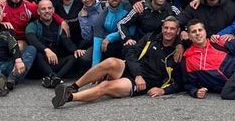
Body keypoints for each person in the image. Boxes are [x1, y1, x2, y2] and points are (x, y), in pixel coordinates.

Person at [51, 17, 184, 107]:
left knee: (105, 86)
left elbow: (179, 82)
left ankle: (68, 97)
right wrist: (137, 73)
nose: (168, 31)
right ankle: (73, 86)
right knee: (110, 62)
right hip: (134, 70)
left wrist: (163, 91)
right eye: (166, 28)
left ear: (178, 31)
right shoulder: (151, 37)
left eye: (172, 29)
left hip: (145, 82)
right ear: (162, 28)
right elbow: (131, 52)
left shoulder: (178, 52)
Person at [181, 19, 235, 98]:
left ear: (205, 32)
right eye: (194, 31)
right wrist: (195, 92)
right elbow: (189, 84)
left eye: (200, 30)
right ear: (189, 36)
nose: (197, 33)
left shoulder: (217, 41)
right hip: (230, 89)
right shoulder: (188, 58)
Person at [23, 0, 79, 86]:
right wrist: (46, 50)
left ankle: (55, 78)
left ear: (53, 10)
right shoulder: (32, 26)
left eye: (49, 8)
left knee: (74, 56)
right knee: (36, 52)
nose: (47, 11)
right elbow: (32, 40)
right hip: (39, 64)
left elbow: (66, 41)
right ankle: (53, 76)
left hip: (55, 61)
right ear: (38, 12)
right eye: (43, 9)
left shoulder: (59, 26)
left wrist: (76, 50)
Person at [118, 0, 182, 47]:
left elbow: (184, 26)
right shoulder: (140, 8)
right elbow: (121, 23)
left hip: (165, 49)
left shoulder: (173, 10)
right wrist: (128, 39)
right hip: (142, 46)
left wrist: (180, 44)